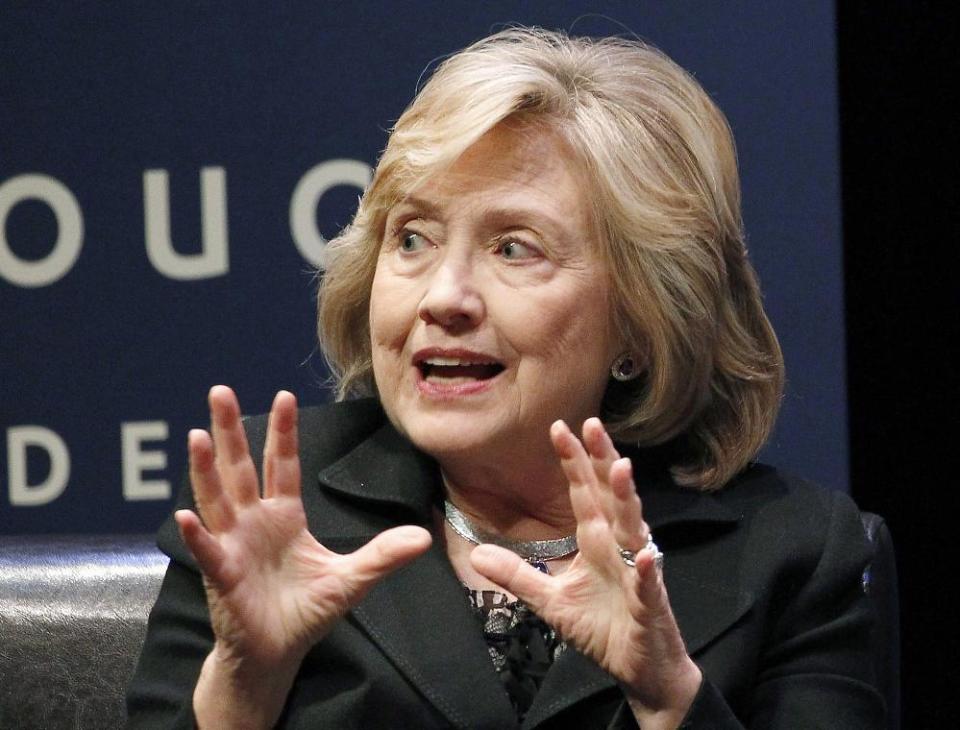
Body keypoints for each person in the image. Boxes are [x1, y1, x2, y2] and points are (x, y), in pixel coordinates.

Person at [127, 28, 884, 728]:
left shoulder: (795, 551)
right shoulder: (266, 508)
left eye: (515, 249)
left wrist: (668, 699)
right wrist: (242, 683)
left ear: (641, 321)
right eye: (413, 238)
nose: (444, 297)